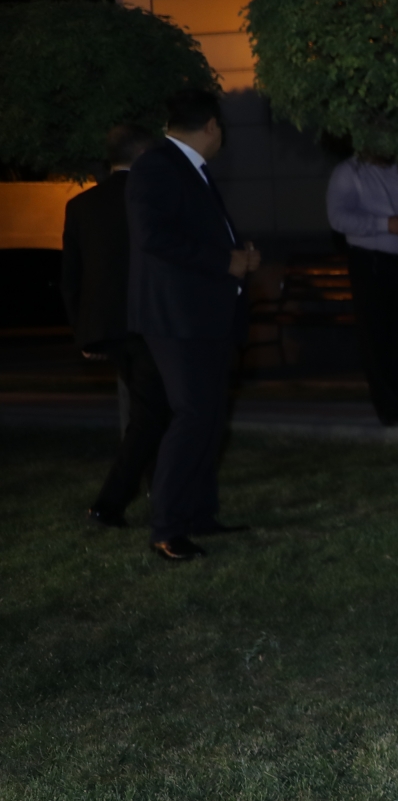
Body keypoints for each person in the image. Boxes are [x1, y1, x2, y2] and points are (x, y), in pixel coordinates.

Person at [125, 89, 259, 562]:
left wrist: (237, 257)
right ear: (211, 126)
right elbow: (153, 236)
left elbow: (191, 231)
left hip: (204, 314)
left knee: (209, 417)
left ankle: (198, 513)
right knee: (193, 415)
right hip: (177, 317)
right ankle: (167, 527)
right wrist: (226, 262)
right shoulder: (157, 165)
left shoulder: (187, 168)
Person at [63, 125, 170, 529]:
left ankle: (158, 492)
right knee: (151, 415)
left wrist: (84, 331)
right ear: (142, 155)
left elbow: (71, 276)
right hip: (149, 322)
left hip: (107, 327)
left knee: (148, 410)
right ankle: (110, 503)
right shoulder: (151, 198)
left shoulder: (81, 204)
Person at [324, 154, 398, 426]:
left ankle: (397, 399)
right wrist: (386, 224)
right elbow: (338, 217)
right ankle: (389, 407)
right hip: (371, 263)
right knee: (376, 335)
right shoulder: (350, 171)